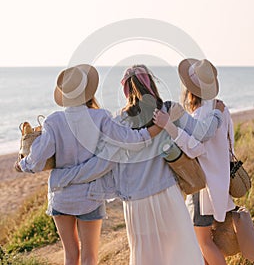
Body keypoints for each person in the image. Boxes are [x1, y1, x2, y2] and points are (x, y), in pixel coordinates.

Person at [49, 64, 225, 265]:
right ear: (151, 83)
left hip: (135, 202)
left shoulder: (117, 121)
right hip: (167, 194)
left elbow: (103, 165)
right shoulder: (169, 110)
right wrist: (217, 113)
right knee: (180, 254)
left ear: (125, 90)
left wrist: (66, 177)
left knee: (146, 258)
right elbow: (204, 133)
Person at [15, 64, 165, 265]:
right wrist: (156, 129)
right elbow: (129, 139)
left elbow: (37, 157)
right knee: (90, 257)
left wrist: (22, 165)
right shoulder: (100, 117)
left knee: (70, 255)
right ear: (87, 91)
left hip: (62, 194)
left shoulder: (54, 121)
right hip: (91, 195)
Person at [153, 59, 236, 265]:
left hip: (203, 188)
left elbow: (194, 147)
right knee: (206, 246)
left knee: (204, 243)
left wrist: (169, 127)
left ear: (190, 90)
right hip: (220, 184)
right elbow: (230, 145)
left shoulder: (200, 115)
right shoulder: (221, 109)